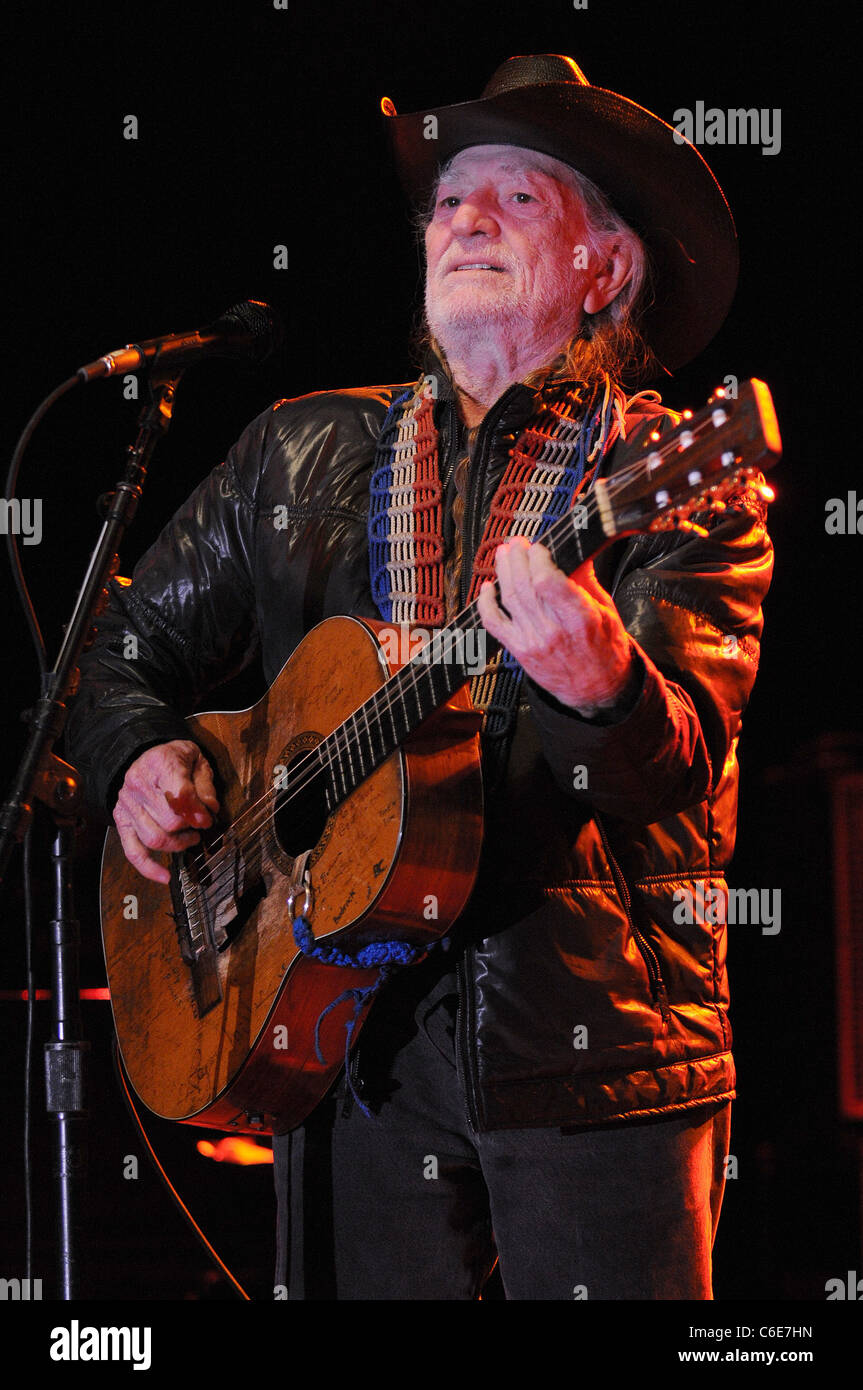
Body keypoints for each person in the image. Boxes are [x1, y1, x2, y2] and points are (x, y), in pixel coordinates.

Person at [67, 53, 774, 1299]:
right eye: (445, 202)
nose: (460, 221)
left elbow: (677, 770)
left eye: (512, 197)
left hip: (597, 1051)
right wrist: (135, 754)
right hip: (345, 1044)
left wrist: (598, 683)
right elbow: (116, 647)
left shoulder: (679, 474)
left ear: (603, 267)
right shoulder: (299, 447)